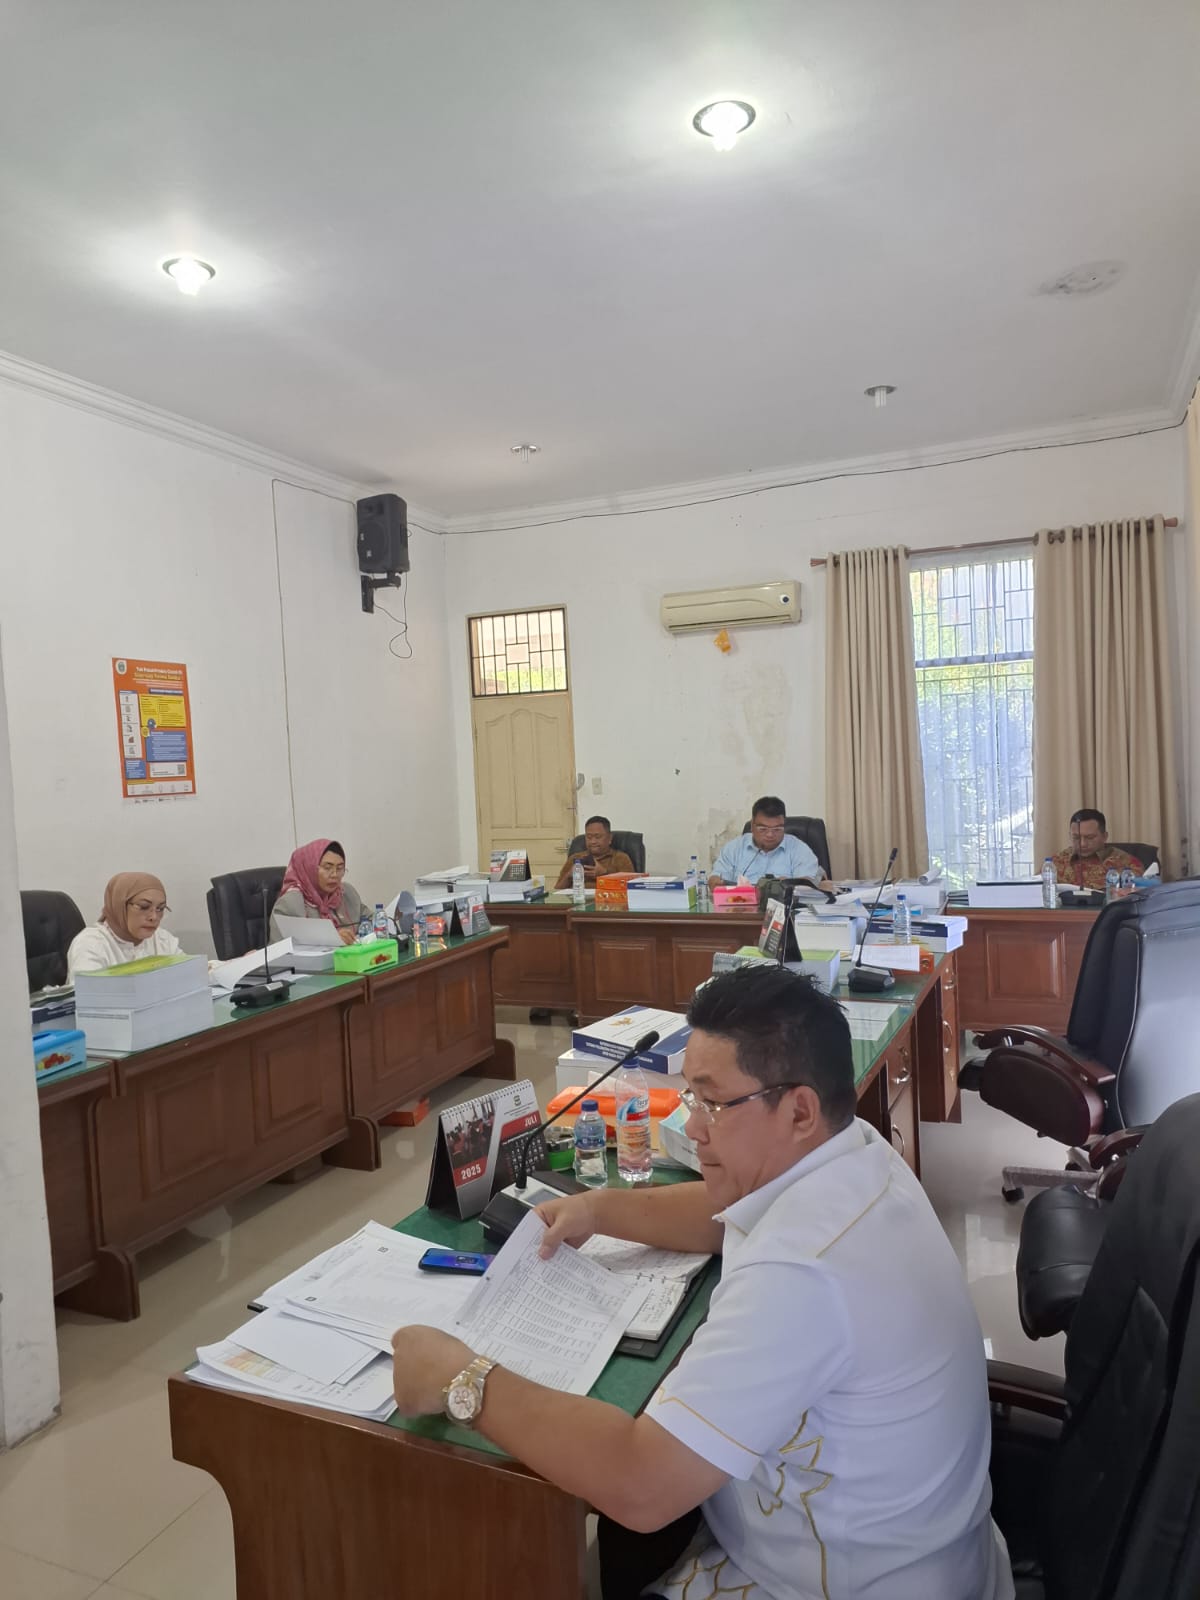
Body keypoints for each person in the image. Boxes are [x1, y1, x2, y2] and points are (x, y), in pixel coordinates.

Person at [391, 966, 1012, 1600]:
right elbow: (725, 1213)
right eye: (692, 1098)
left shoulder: (802, 1273)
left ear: (799, 1109)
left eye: (713, 1103)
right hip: (906, 1546)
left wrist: (461, 1379)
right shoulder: (851, 1153)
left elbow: (642, 1484)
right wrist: (597, 1210)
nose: (692, 1128)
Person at [67, 872, 184, 977]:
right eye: (144, 907)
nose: (154, 917)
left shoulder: (163, 940)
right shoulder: (91, 944)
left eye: (160, 908)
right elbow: (88, 992)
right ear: (120, 905)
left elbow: (186, 978)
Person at [709, 795, 827, 887]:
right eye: (763, 829)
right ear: (752, 826)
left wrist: (789, 883)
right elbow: (716, 878)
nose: (770, 834)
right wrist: (715, 882)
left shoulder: (799, 849)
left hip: (785, 909)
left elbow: (809, 886)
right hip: (740, 907)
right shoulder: (734, 848)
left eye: (777, 829)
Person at [269, 838, 363, 945]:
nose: (334, 875)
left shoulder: (346, 892)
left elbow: (372, 921)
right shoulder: (290, 903)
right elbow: (279, 949)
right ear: (310, 868)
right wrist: (331, 939)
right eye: (327, 868)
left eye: (340, 868)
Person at [1051, 808, 1143, 890]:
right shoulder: (1056, 863)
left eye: (1090, 837)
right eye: (1076, 838)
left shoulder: (1126, 864)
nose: (1083, 844)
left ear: (1104, 836)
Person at [554, 815, 636, 890]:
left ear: (610, 838)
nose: (593, 841)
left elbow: (631, 889)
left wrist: (604, 874)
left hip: (607, 900)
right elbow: (556, 891)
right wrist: (569, 876)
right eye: (589, 837)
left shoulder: (621, 858)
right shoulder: (575, 858)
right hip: (578, 899)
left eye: (598, 837)